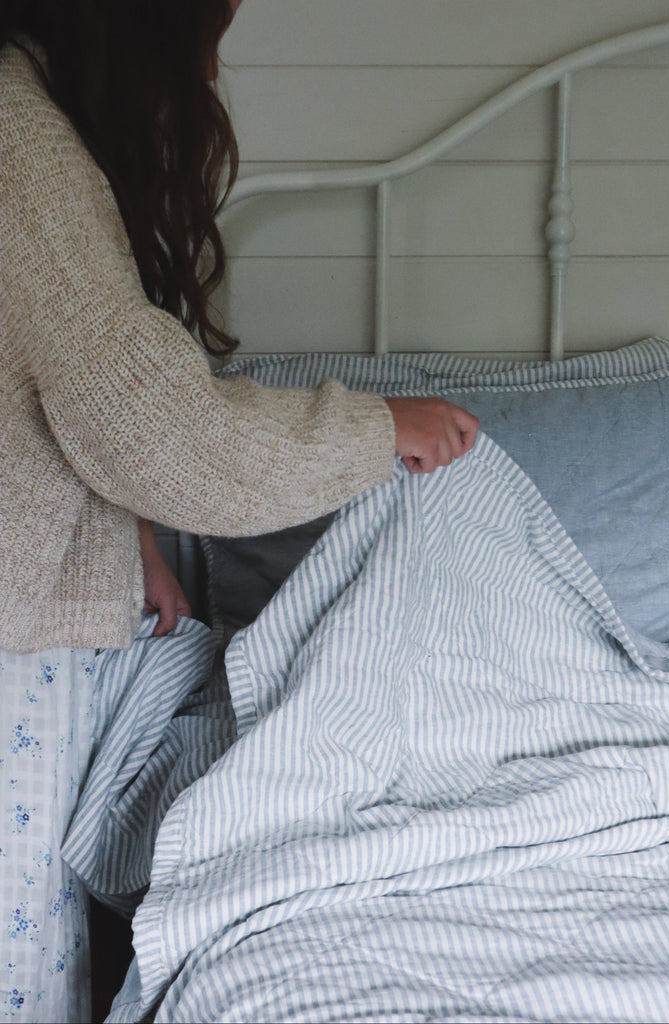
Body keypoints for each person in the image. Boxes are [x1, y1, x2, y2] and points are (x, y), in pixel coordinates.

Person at [0, 0, 479, 1018]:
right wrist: (375, 428)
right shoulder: (20, 142)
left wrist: (129, 544)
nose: (212, 71)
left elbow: (48, 390)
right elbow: (153, 428)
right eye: (206, 35)